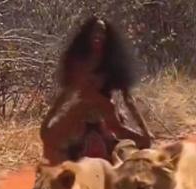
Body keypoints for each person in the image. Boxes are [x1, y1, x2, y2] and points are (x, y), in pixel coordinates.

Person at [40, 16, 152, 164]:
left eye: (102, 32)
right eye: (95, 31)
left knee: (133, 147)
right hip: (79, 113)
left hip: (106, 114)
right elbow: (66, 94)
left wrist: (145, 131)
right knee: (53, 142)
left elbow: (128, 100)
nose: (98, 35)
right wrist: (46, 123)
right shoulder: (79, 62)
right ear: (88, 35)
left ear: (107, 37)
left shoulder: (111, 64)